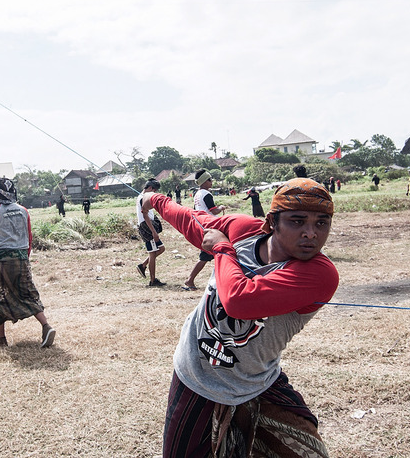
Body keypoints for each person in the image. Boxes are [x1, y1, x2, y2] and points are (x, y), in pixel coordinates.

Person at [140, 178, 338, 458]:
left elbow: (238, 300)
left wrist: (221, 249)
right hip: (198, 374)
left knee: (307, 451)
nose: (311, 233)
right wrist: (158, 201)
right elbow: (194, 221)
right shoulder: (244, 231)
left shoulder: (319, 274)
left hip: (255, 381)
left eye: (322, 223)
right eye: (297, 221)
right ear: (271, 222)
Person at [0, 177, 55, 348]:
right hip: (21, 258)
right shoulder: (23, 210)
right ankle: (46, 326)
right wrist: (24, 257)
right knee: (28, 293)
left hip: (1, 260)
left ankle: (1, 339)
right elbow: (29, 236)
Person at [184, 169, 226, 291]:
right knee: (207, 256)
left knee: (210, 255)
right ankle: (190, 280)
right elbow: (214, 211)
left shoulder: (197, 194)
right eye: (209, 180)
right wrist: (221, 207)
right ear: (204, 181)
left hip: (203, 226)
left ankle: (191, 280)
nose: (211, 182)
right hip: (211, 227)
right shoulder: (207, 194)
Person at [135, 179, 166, 287]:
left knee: (161, 249)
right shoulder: (142, 198)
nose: (154, 193)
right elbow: (145, 216)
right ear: (149, 188)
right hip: (147, 227)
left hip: (148, 226)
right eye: (154, 191)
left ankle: (143, 265)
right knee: (152, 253)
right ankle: (153, 280)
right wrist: (153, 232)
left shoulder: (144, 197)